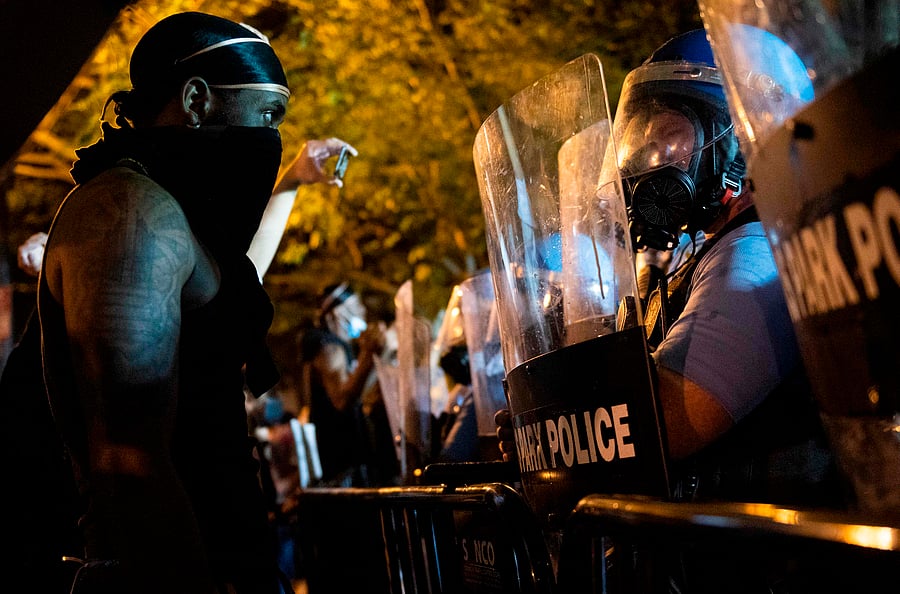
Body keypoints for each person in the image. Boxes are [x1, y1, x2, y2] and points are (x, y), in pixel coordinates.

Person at [36, 12, 352, 593]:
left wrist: (289, 184)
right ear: (197, 100)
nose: (271, 134)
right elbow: (130, 459)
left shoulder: (163, 211)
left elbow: (229, 280)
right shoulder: (131, 215)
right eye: (267, 114)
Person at [497, 29, 840, 508]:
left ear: (743, 139)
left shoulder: (757, 251)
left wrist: (555, 420)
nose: (643, 159)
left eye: (666, 133)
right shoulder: (697, 256)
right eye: (640, 137)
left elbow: (672, 421)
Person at [299, 282, 399, 487]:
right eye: (354, 308)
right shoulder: (327, 347)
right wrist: (369, 353)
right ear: (334, 314)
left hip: (354, 460)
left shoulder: (342, 347)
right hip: (342, 464)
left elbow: (360, 394)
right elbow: (342, 400)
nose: (362, 312)